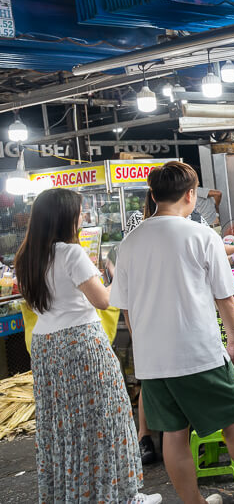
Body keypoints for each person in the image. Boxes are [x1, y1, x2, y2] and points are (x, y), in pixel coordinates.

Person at [111, 161, 234, 504]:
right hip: (198, 353)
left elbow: (126, 309)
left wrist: (145, 350)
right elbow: (225, 297)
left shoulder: (130, 243)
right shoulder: (200, 234)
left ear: (153, 195)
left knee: (173, 436)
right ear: (191, 195)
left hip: (153, 361)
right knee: (233, 421)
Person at [15, 188, 161, 504]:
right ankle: (121, 496)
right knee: (108, 416)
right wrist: (116, 275)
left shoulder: (26, 256)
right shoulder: (71, 253)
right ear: (65, 217)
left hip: (46, 346)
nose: (82, 218)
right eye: (79, 213)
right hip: (81, 344)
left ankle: (74, 495)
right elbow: (104, 300)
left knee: (63, 425)